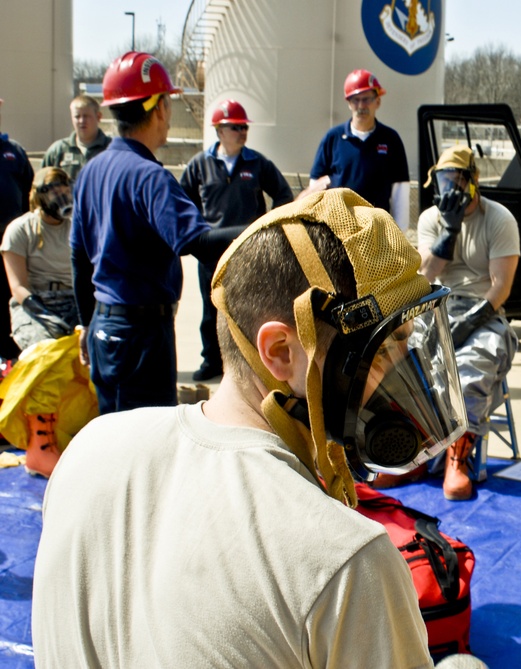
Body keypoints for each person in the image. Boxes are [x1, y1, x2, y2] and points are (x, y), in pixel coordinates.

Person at [32, 188, 469, 667]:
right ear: (281, 351)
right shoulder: (346, 558)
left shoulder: (88, 449)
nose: (403, 374)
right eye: (386, 347)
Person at [71, 52, 241, 414]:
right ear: (161, 108)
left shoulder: (91, 171)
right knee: (148, 448)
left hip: (104, 326)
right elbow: (197, 242)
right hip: (142, 335)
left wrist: (87, 323)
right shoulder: (149, 176)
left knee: (113, 438)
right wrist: (273, 220)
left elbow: (78, 258)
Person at [411, 145, 520, 500]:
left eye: (457, 179)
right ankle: (414, 451)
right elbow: (424, 274)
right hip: (436, 305)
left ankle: (457, 456)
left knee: (469, 364)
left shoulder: (499, 219)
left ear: (474, 181)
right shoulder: (432, 219)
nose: (450, 188)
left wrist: (469, 323)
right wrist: (450, 231)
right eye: (444, 180)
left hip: (484, 310)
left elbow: (500, 288)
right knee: (402, 362)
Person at [180, 99, 293, 381]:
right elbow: (183, 202)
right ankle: (212, 361)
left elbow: (283, 194)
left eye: (244, 127)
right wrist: (198, 236)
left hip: (247, 250)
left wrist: (265, 228)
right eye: (236, 127)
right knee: (211, 310)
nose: (242, 132)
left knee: (248, 308)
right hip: (211, 251)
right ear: (219, 130)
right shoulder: (200, 165)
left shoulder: (257, 163)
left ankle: (250, 364)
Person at [301, 69, 410, 233]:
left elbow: (400, 192)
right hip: (338, 231)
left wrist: (400, 234)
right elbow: (315, 188)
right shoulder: (333, 138)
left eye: (366, 99)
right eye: (355, 100)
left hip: (377, 232)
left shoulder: (391, 140)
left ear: (377, 101)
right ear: (348, 103)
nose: (361, 106)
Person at [1, 167, 79, 351]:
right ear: (40, 196)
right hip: (35, 303)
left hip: (73, 300)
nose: (62, 197)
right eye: (55, 193)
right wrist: (44, 315)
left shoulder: (79, 227)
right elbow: (18, 287)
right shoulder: (20, 229)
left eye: (65, 191)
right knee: (44, 352)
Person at [41, 95, 112, 182]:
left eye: (86, 116)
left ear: (99, 117)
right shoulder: (58, 150)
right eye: (77, 116)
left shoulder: (111, 149)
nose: (82, 121)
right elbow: (42, 184)